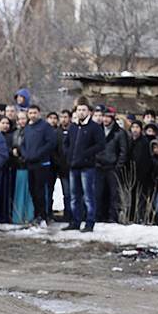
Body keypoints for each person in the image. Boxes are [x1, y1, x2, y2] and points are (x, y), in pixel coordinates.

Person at [64, 97, 105, 232]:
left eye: (83, 110)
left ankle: (89, 222)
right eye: (79, 110)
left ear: (89, 111)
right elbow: (67, 143)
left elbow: (100, 145)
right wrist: (69, 155)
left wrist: (86, 153)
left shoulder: (94, 127)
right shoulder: (73, 127)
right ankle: (75, 221)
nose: (81, 112)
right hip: (73, 166)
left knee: (88, 196)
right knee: (74, 196)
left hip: (87, 166)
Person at [20, 105, 58, 226]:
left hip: (42, 163)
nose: (32, 115)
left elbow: (51, 143)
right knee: (32, 191)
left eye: (34, 113)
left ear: (39, 113)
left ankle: (43, 215)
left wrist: (38, 154)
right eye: (30, 113)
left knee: (40, 191)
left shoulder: (45, 127)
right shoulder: (27, 128)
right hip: (30, 163)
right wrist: (25, 155)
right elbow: (23, 144)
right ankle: (36, 215)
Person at [96, 107, 128, 223]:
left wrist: (118, 166)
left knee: (113, 194)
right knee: (98, 193)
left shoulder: (119, 132)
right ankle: (99, 216)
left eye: (108, 117)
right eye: (104, 116)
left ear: (112, 118)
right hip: (99, 166)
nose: (105, 119)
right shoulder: (97, 130)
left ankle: (112, 217)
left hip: (112, 167)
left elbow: (123, 151)